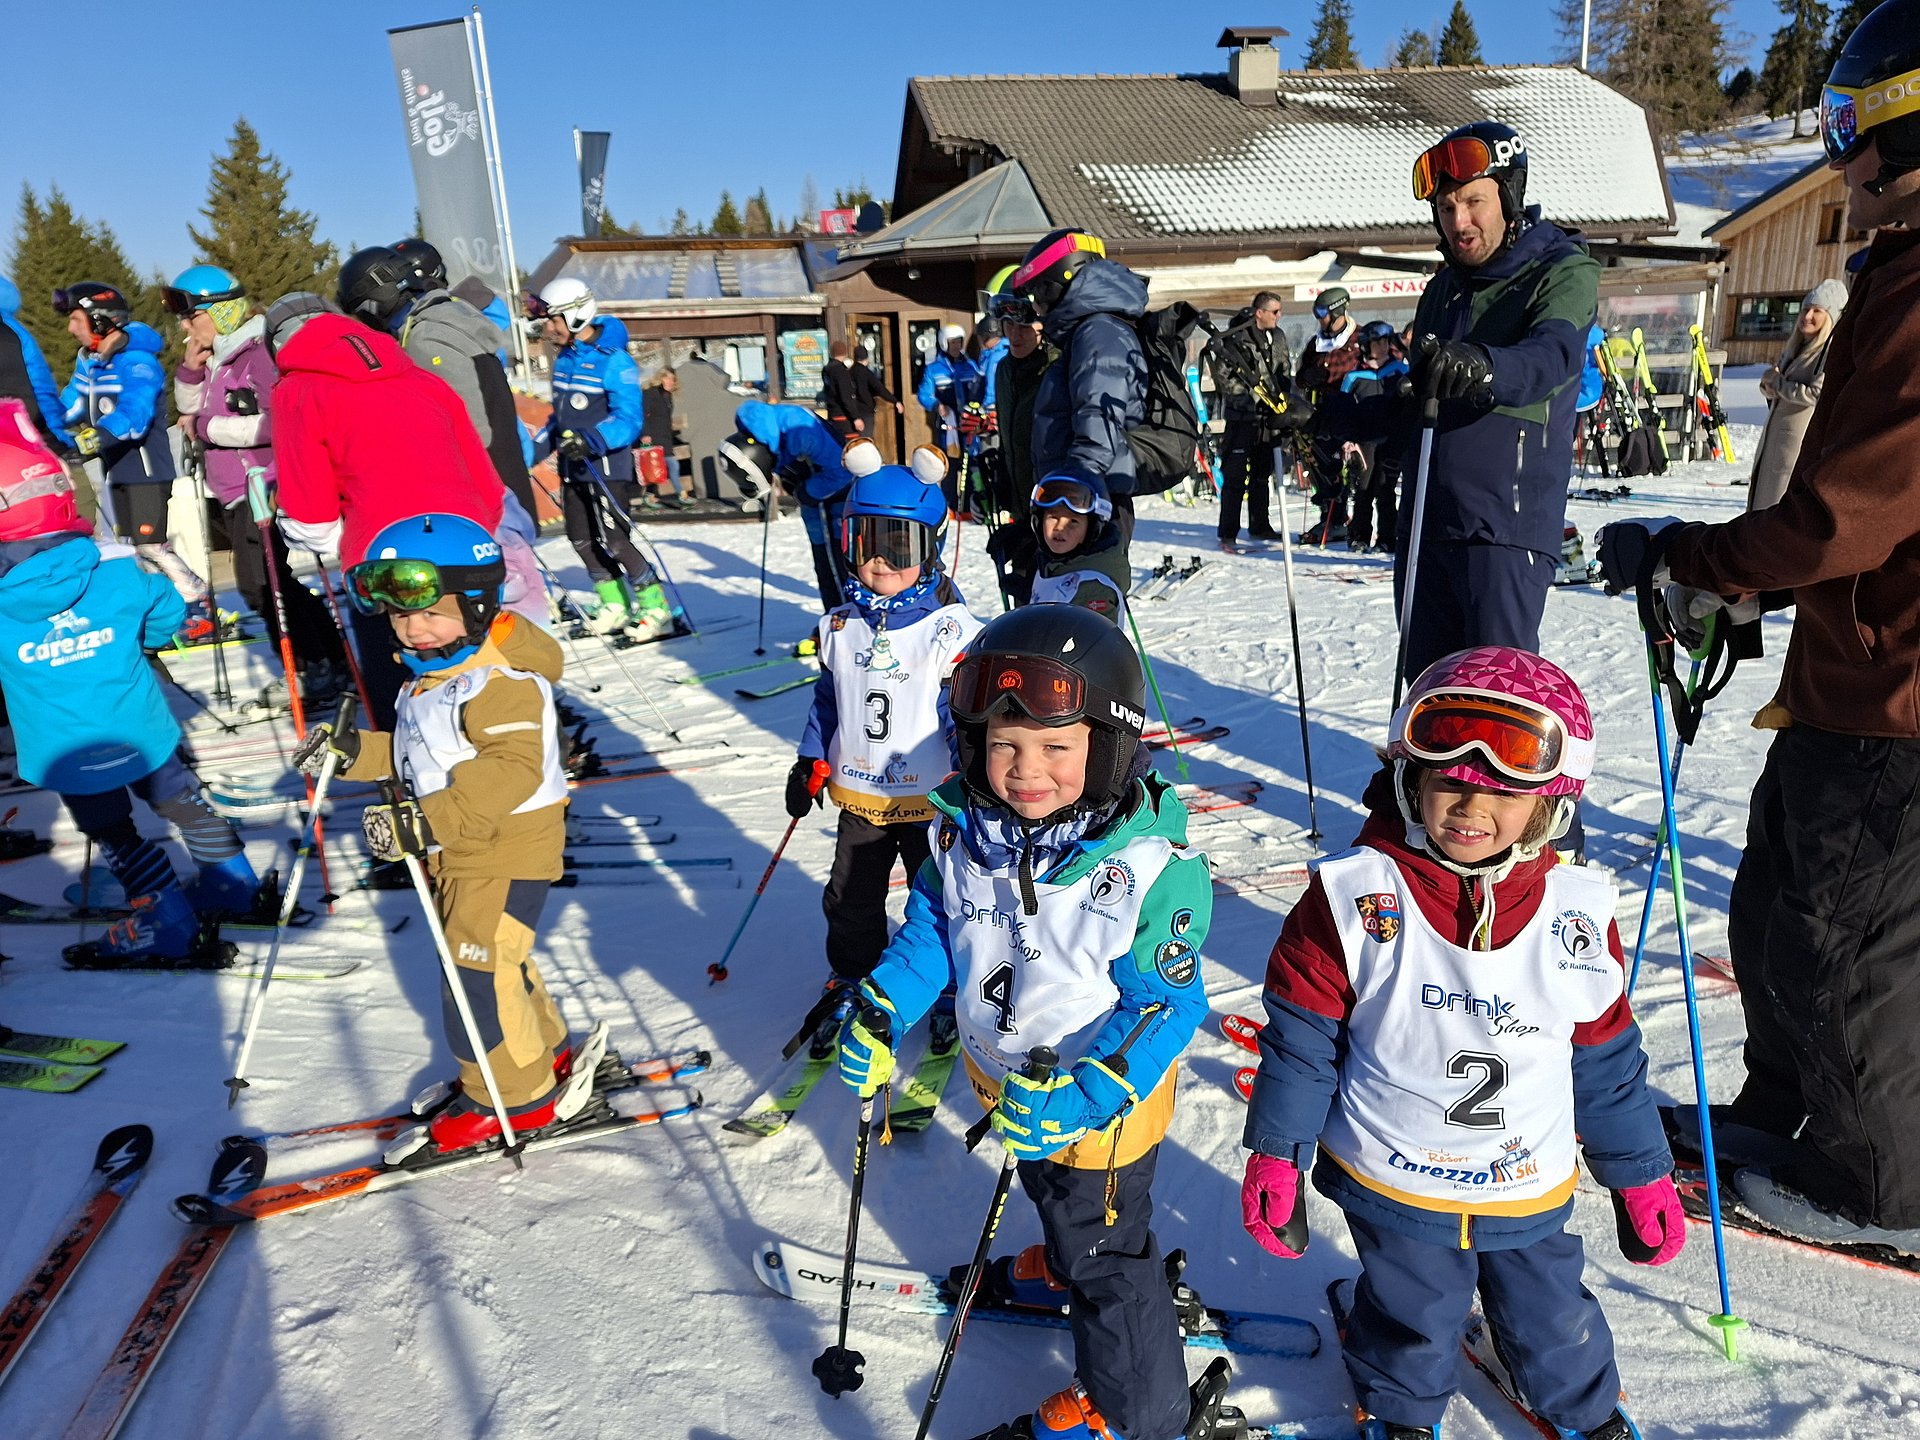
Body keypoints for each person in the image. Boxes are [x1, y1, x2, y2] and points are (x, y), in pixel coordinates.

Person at [1596, 0, 1920, 1251]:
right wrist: (1747, 580)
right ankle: (1786, 1115)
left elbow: (1849, 513)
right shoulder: (1893, 275)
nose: (1837, 158)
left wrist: (1695, 556)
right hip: (1849, 680)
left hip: (1897, 702)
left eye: (1850, 126)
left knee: (1845, 943)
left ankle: (1874, 1185)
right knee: (1779, 909)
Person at [1240, 647, 1680, 1440]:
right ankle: (1402, 1410)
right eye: (1450, 781)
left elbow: (1606, 1059)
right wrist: (1279, 1151)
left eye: (1504, 792)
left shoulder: (1574, 915)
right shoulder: (1355, 898)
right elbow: (1302, 1040)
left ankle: (1582, 1407)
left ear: (1550, 803)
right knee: (1413, 1313)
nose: (1472, 806)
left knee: (1552, 1313)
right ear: (1411, 778)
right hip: (1395, 1172)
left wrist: (1640, 1173)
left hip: (1524, 1179)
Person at [833, 605, 1211, 1440]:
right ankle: (1062, 1262)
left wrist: (1087, 1096)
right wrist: (886, 1004)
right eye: (1004, 744)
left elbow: (1167, 1004)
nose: (1025, 771)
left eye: (1055, 748)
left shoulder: (1150, 869)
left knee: (1105, 1248)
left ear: (1107, 748)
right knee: (1049, 1189)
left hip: (1099, 1107)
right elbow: (936, 931)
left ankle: (1134, 1410)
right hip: (1003, 1076)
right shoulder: (964, 832)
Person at [294, 512, 574, 1155]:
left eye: (430, 614)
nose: (413, 628)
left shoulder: (500, 683)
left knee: (475, 975)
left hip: (504, 847)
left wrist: (424, 821)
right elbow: (415, 755)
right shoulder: (431, 679)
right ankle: (540, 1053)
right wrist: (351, 752)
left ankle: (512, 1097)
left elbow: (509, 770)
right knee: (497, 959)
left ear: (476, 607)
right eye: (400, 616)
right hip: (464, 848)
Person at [0, 399, 260, 959]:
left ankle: (165, 920)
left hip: (67, 752)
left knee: (114, 832)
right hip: (144, 732)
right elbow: (166, 616)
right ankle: (235, 882)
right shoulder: (116, 568)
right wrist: (118, 637)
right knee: (181, 801)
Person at [1384, 122, 1600, 681]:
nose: (1459, 222)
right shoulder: (1442, 289)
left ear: (1509, 196)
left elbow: (1550, 358)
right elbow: (1418, 402)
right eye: (1446, 207)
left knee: (1492, 697)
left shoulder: (1560, 272)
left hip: (1503, 527)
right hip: (1427, 524)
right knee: (1427, 695)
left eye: (1473, 202)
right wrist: (1329, 419)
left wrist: (1483, 365)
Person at [269, 294, 507, 728]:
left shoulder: (297, 390)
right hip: (466, 540)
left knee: (401, 679)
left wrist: (307, 533)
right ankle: (508, 742)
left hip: (383, 553)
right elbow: (486, 481)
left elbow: (312, 518)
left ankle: (405, 758)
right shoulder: (418, 376)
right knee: (480, 664)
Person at [789, 444, 979, 980]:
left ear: (929, 547)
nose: (881, 561)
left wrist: (973, 775)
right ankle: (854, 976)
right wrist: (807, 761)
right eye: (866, 543)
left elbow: (963, 714)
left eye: (900, 545)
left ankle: (940, 984)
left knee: (939, 899)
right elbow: (829, 702)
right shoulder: (840, 626)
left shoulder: (947, 630)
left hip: (931, 800)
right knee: (849, 898)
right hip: (861, 796)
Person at [164, 266, 349, 701]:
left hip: (264, 484)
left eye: (192, 316)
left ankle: (316, 664)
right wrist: (189, 370)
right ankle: (323, 662)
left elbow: (277, 421)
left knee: (264, 584)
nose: (186, 327)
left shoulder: (257, 353)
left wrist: (208, 428)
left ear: (221, 311)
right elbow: (188, 409)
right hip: (233, 491)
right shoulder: (216, 357)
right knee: (267, 583)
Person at [527, 277, 678, 643]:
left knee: (615, 540)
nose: (549, 328)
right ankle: (614, 603)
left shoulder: (614, 360)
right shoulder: (565, 359)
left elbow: (629, 418)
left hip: (606, 466)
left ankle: (657, 608)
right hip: (573, 466)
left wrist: (592, 439)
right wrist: (527, 454)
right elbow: (559, 419)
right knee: (580, 538)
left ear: (577, 315)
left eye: (554, 320)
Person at [54, 281, 212, 630]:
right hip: (117, 471)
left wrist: (87, 442)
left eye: (76, 319)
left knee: (151, 544)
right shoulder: (91, 363)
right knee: (133, 548)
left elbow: (133, 416)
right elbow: (68, 407)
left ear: (99, 320)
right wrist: (34, 424)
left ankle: (197, 602)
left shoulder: (138, 361)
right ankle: (164, 610)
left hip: (146, 470)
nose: (71, 328)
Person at [338, 244, 533, 520]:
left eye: (361, 313)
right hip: (502, 490)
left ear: (376, 301)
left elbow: (470, 432)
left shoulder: (426, 338)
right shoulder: (448, 319)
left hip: (483, 503)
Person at [1012, 230, 1148, 528]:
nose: (1036, 308)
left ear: (1054, 286)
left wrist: (1074, 493)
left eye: (1036, 294)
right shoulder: (1089, 331)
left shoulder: (1098, 332)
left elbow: (1099, 416)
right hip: (1078, 494)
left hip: (1087, 497)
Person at [724, 399, 857, 612]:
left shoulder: (800, 431)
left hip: (835, 500)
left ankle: (846, 616)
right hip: (814, 504)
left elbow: (842, 471)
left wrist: (805, 492)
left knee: (838, 565)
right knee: (823, 564)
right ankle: (831, 615)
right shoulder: (761, 432)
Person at [983, 274, 1057, 606]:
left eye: (1024, 325)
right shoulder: (1003, 370)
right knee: (1024, 601)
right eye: (1008, 324)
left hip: (1056, 509)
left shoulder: (1055, 369)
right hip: (1022, 506)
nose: (1015, 334)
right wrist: (1003, 478)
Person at [1748, 278, 1847, 510]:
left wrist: (1778, 384)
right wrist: (1768, 386)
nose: (1807, 316)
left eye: (1817, 311)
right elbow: (1779, 389)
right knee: (1761, 509)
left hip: (1794, 448)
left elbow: (1816, 394)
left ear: (1831, 317)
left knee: (1778, 510)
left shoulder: (1827, 354)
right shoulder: (1794, 349)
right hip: (1773, 444)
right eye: (1805, 309)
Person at [1206, 291, 1293, 552]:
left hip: (1268, 418)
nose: (1279, 316)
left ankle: (1260, 524)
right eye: (1274, 311)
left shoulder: (1278, 337)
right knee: (1234, 476)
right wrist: (1251, 401)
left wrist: (1282, 399)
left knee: (1261, 474)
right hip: (1241, 419)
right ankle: (1228, 532)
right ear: (1260, 313)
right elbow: (1224, 379)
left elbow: (1284, 369)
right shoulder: (1235, 340)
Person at [1330, 321, 1408, 553]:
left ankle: (1387, 537)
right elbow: (1344, 411)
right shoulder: (1354, 377)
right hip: (1363, 442)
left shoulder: (1400, 371)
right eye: (1376, 343)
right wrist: (1346, 440)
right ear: (1366, 345)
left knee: (1386, 491)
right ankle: (1359, 536)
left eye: (1385, 342)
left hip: (1391, 440)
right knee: (1363, 491)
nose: (1382, 347)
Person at [1294, 287, 1363, 546]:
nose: (1319, 319)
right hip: (1321, 413)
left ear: (1337, 311)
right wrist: (1308, 377)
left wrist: (1331, 377)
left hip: (1349, 411)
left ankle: (1352, 521)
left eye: (1322, 313)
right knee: (1322, 467)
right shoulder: (1317, 343)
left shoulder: (1358, 338)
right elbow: (1301, 376)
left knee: (1348, 469)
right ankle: (1330, 517)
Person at [1025, 470, 1130, 628]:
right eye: (1053, 517)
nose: (1060, 527)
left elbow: (1092, 640)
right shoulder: (1051, 564)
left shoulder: (1093, 588)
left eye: (1073, 521)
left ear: (1092, 529)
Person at [0, 274, 70, 448]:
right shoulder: (15, 329)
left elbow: (35, 388)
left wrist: (52, 438)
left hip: (21, 433)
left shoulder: (10, 333)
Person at [917, 323, 979, 455]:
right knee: (950, 456)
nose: (956, 346)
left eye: (959, 342)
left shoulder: (971, 365)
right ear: (944, 343)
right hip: (948, 419)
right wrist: (937, 405)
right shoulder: (933, 369)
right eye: (952, 342)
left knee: (972, 456)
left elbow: (980, 388)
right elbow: (924, 394)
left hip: (969, 418)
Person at [639, 369, 691, 507]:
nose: (670, 382)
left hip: (665, 437)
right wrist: (645, 434)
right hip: (653, 437)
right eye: (667, 378)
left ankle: (649, 495)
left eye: (672, 379)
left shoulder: (668, 396)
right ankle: (681, 494)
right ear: (660, 379)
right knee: (669, 465)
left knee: (657, 467)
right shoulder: (650, 393)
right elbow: (643, 414)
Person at [849, 343, 902, 439]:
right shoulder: (866, 373)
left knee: (856, 441)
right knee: (866, 440)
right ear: (866, 358)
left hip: (853, 412)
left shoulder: (849, 372)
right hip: (866, 412)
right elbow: (880, 389)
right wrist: (895, 401)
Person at [820, 340, 863, 440]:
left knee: (836, 442)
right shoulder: (840, 371)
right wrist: (856, 417)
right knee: (850, 444)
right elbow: (846, 396)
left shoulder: (827, 370)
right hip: (843, 416)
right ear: (845, 352)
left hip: (832, 413)